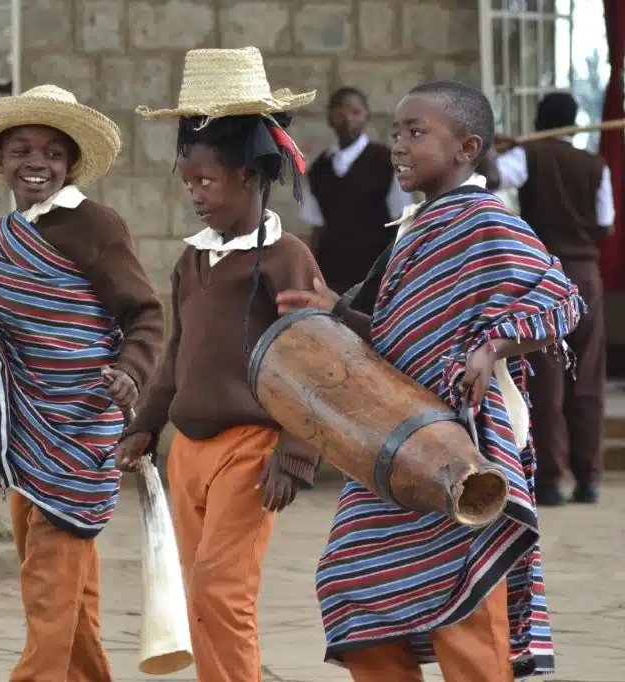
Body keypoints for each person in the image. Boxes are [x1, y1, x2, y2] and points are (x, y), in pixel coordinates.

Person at [277, 80, 584, 681]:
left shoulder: (489, 222)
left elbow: (563, 303)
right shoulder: (415, 228)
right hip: (392, 444)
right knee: (350, 584)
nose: (398, 145)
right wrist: (338, 310)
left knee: (464, 604)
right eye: (396, 132)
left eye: (416, 133)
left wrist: (493, 345)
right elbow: (404, 339)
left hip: (462, 448)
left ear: (467, 148)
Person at [0, 84, 165, 682]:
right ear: (1, 160)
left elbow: (144, 313)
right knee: (69, 585)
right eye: (21, 150)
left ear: (70, 163)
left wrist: (131, 372)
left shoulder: (95, 225)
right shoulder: (0, 238)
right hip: (25, 429)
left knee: (48, 583)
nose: (35, 162)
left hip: (78, 427)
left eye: (52, 152)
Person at [115, 46, 322, 682]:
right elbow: (177, 353)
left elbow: (317, 360)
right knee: (196, 595)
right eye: (188, 183)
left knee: (221, 590)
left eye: (206, 182)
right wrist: (146, 424)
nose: (195, 195)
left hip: (252, 449)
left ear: (251, 176)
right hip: (188, 452)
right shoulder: (192, 260)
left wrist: (295, 450)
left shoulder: (286, 258)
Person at [479, 91, 615, 506]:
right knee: (587, 379)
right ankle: (588, 479)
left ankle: (550, 480)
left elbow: (493, 179)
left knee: (546, 378)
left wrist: (491, 148)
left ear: (539, 121)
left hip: (543, 278)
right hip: (586, 277)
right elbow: (606, 225)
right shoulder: (595, 165)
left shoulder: (529, 156)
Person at [300, 86, 413, 295]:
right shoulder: (319, 169)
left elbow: (402, 221)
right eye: (340, 112)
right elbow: (317, 229)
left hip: (376, 277)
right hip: (331, 278)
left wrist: (396, 274)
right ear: (329, 118)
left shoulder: (386, 162)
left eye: (355, 112)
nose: (347, 119)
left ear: (366, 116)